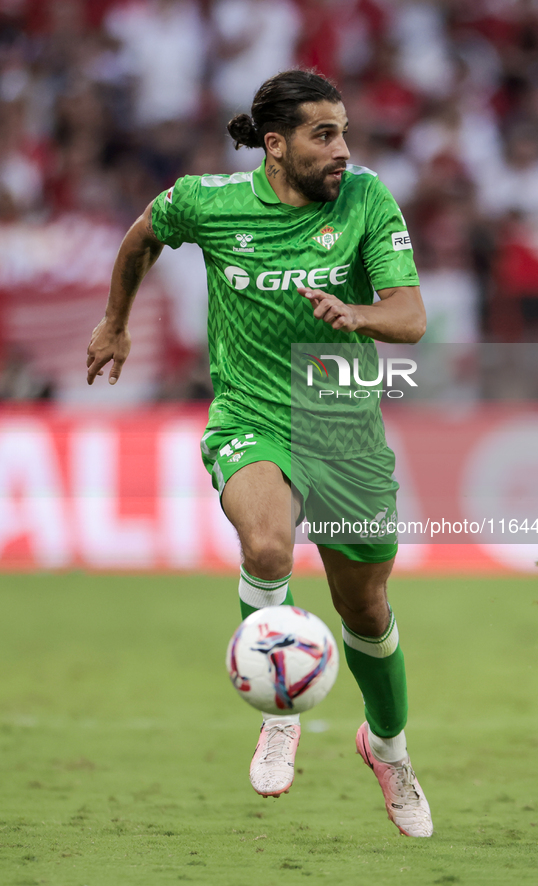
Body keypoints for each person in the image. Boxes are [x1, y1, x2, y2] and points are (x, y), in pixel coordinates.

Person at [86, 69, 432, 838]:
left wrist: (357, 313)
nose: (342, 148)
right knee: (268, 545)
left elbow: (409, 318)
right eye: (323, 134)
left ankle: (387, 748)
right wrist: (116, 322)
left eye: (343, 131)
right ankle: (281, 713)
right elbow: (143, 234)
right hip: (249, 414)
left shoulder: (367, 199)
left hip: (340, 422)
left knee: (365, 610)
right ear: (274, 146)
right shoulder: (206, 203)